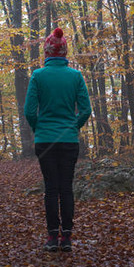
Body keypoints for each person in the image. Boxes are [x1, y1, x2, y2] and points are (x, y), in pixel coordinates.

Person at [24, 27, 92, 252]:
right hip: (69, 141)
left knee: (51, 188)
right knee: (66, 188)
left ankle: (53, 237)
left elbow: (29, 111)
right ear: (64, 51)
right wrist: (73, 127)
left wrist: (39, 128)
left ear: (46, 51)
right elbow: (85, 110)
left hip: (45, 141)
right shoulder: (75, 76)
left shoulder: (38, 76)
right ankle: (68, 238)